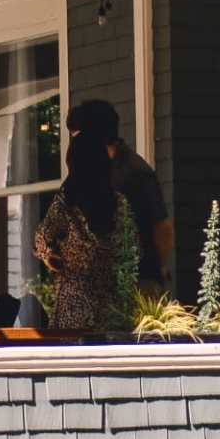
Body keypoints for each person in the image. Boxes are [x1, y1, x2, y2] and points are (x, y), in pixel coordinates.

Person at [32, 124, 138, 336]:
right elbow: (132, 247)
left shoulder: (66, 203)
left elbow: (42, 239)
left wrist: (50, 257)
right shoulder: (119, 203)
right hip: (112, 304)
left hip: (74, 303)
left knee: (70, 356)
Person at [67, 96, 174, 279]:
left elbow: (162, 226)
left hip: (136, 277)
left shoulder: (134, 172)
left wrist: (160, 268)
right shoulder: (92, 168)